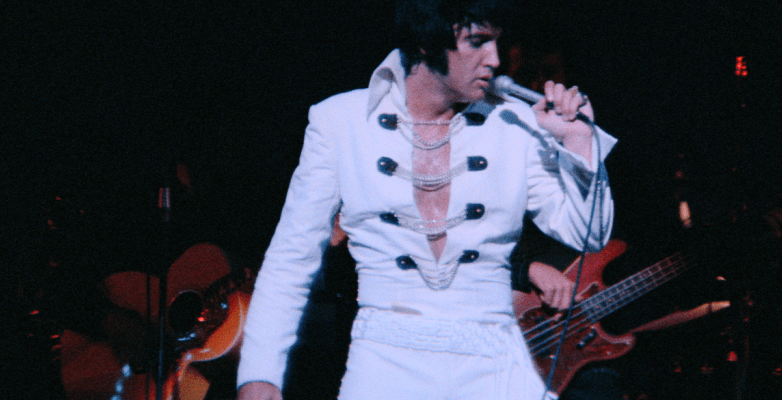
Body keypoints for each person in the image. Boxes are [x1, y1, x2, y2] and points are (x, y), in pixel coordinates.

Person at [235, 0, 616, 398]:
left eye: (496, 43)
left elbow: (587, 234)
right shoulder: (340, 121)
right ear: (424, 42)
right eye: (477, 42)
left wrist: (578, 142)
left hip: (494, 358)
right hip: (384, 359)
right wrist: (259, 372)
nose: (495, 59)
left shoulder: (513, 124)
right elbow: (291, 257)